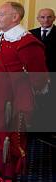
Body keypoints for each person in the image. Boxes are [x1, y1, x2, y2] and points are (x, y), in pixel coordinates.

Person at [0, 2, 49, 182]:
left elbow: (39, 75)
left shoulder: (26, 42)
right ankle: (0, 170)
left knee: (11, 140)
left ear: (15, 17)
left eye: (1, 14)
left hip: (13, 101)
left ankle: (9, 177)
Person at [29, 8, 55, 140]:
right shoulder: (31, 34)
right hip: (35, 74)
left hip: (53, 74)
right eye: (43, 17)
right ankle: (35, 128)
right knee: (35, 101)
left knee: (51, 102)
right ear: (38, 19)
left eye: (49, 17)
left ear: (54, 18)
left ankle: (48, 130)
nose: (46, 20)